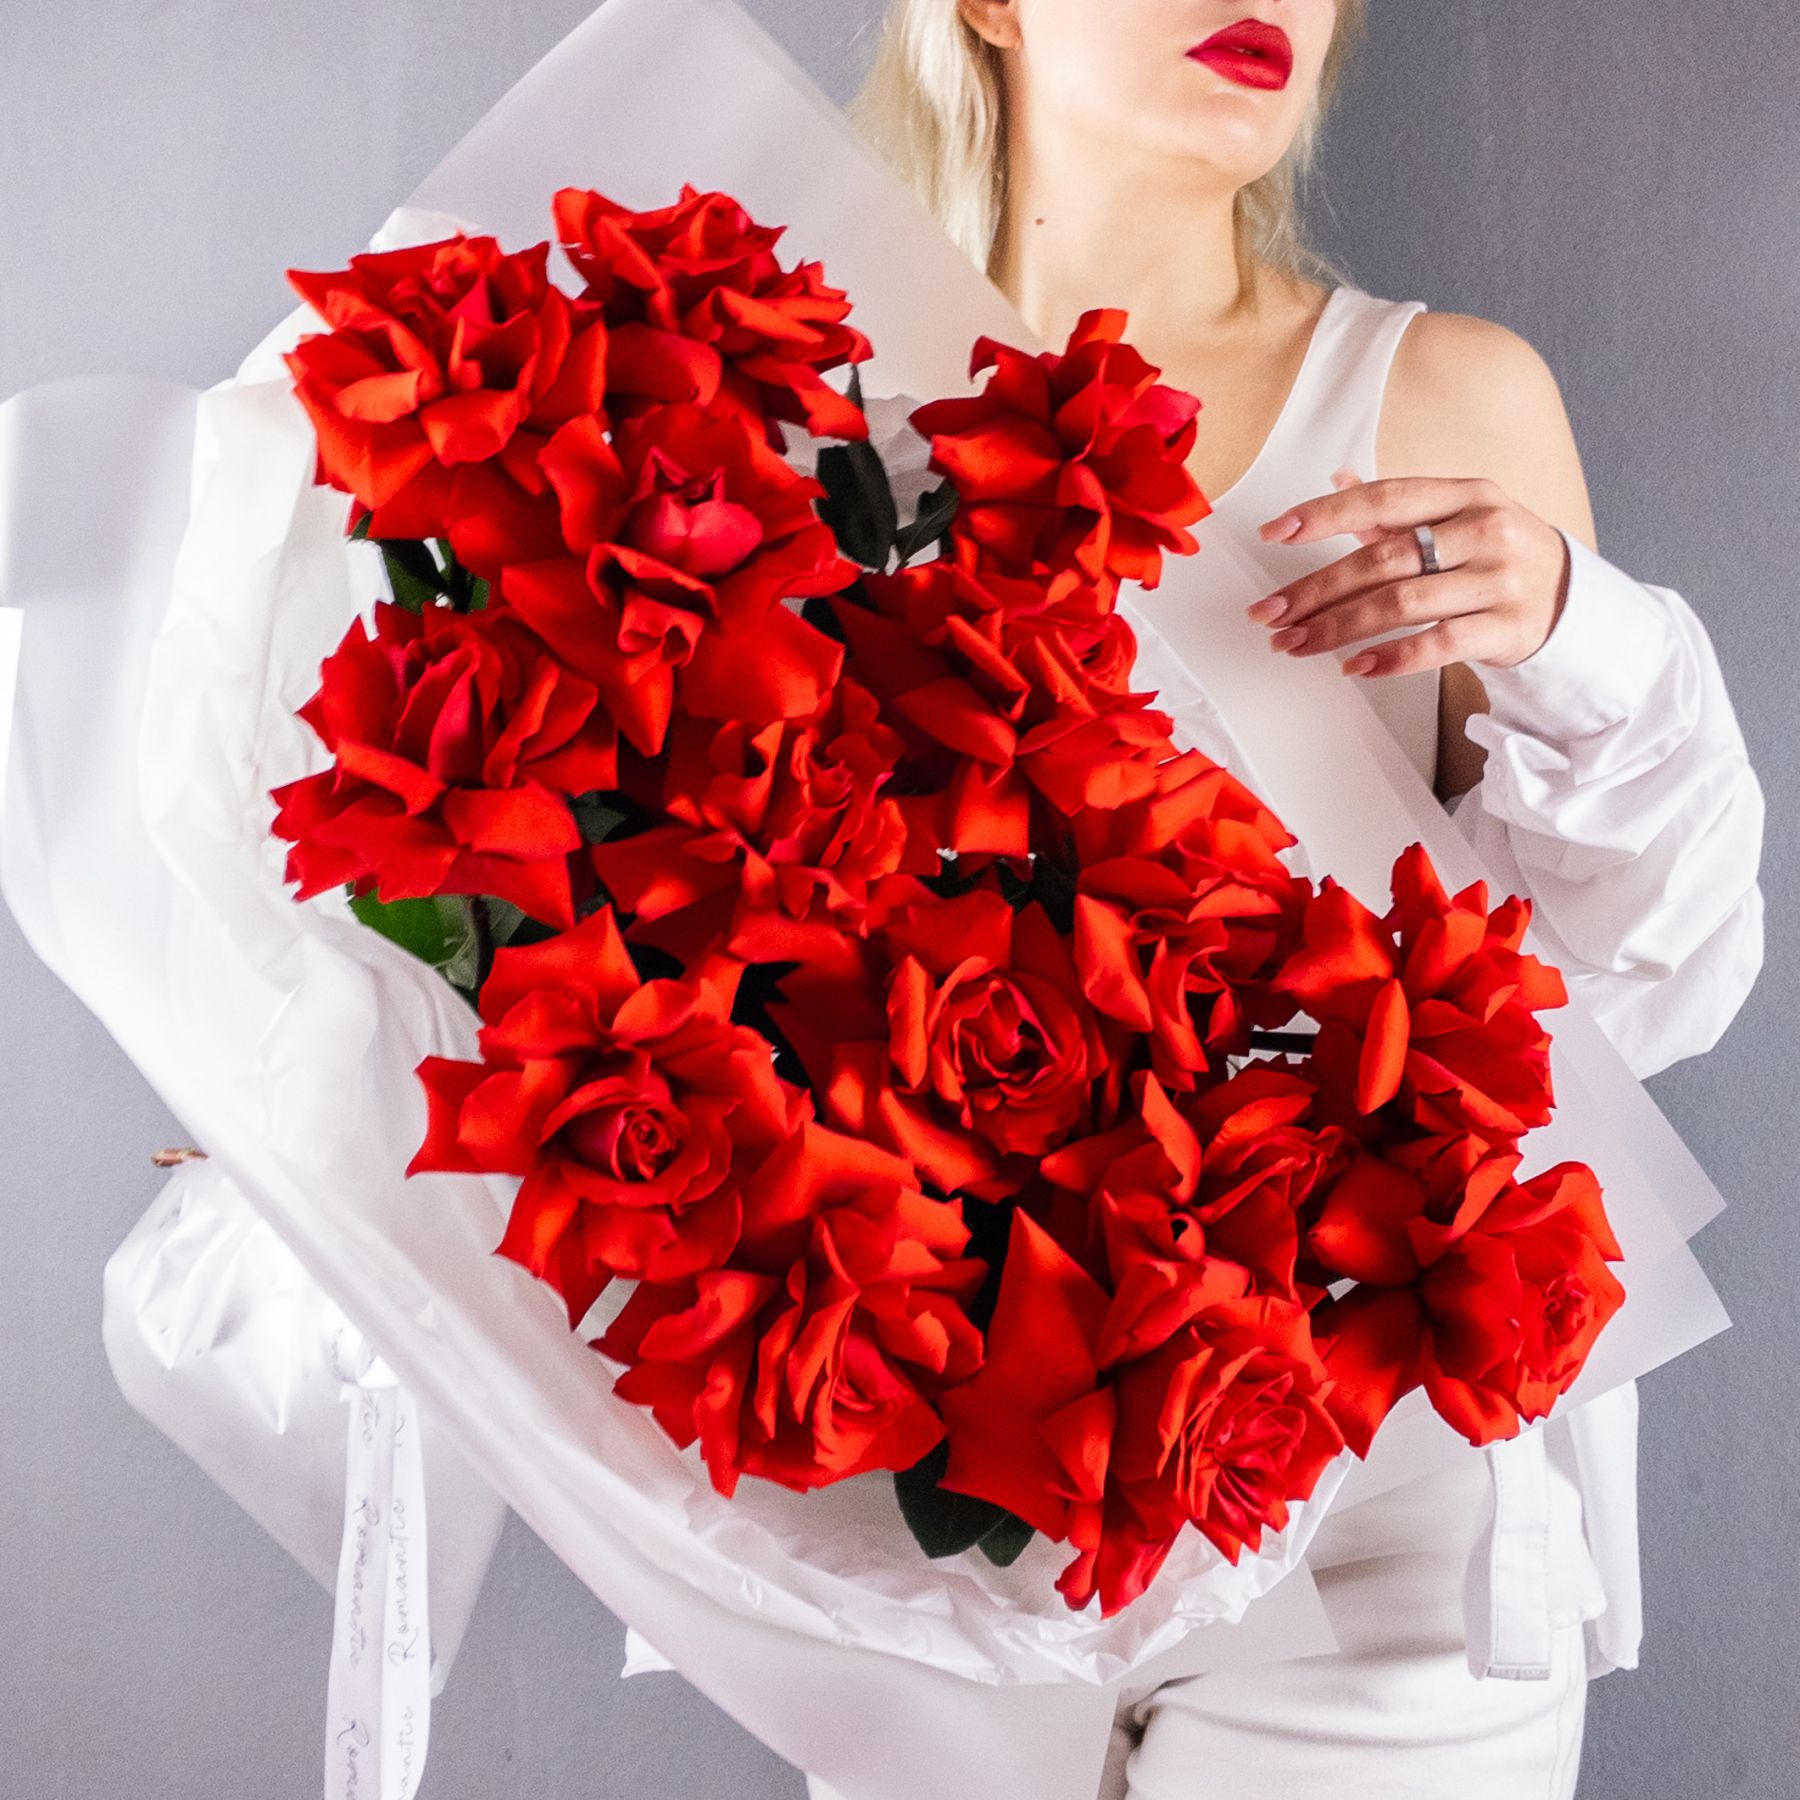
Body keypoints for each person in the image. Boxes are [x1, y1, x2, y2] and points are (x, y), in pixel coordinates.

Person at [831, 3, 1769, 1795]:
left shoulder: (1440, 403)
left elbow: (1627, 996)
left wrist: (1583, 648)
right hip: (924, 1510)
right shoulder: (824, 426)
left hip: (1373, 1510)